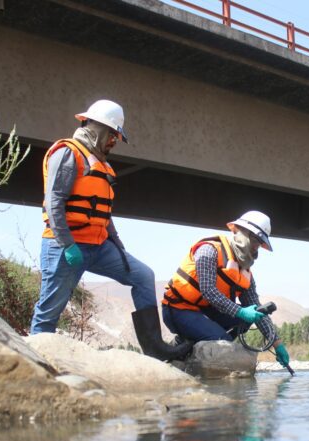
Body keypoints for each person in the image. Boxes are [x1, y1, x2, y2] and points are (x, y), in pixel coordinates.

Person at [30, 99, 191, 360]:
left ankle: (155, 349)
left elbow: (103, 212)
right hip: (66, 246)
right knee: (49, 311)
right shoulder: (68, 153)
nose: (114, 141)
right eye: (113, 135)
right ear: (99, 128)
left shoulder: (102, 165)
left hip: (99, 247)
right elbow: (54, 202)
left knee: (143, 275)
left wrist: (117, 244)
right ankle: (34, 362)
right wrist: (68, 244)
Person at [161, 211, 290, 369]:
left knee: (250, 317)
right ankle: (185, 350)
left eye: (260, 243)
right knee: (222, 342)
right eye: (256, 241)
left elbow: (257, 309)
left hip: (205, 312)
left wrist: (277, 344)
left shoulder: (246, 273)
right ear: (240, 232)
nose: (257, 247)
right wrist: (240, 311)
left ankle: (193, 340)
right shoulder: (209, 250)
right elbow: (208, 291)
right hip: (178, 309)